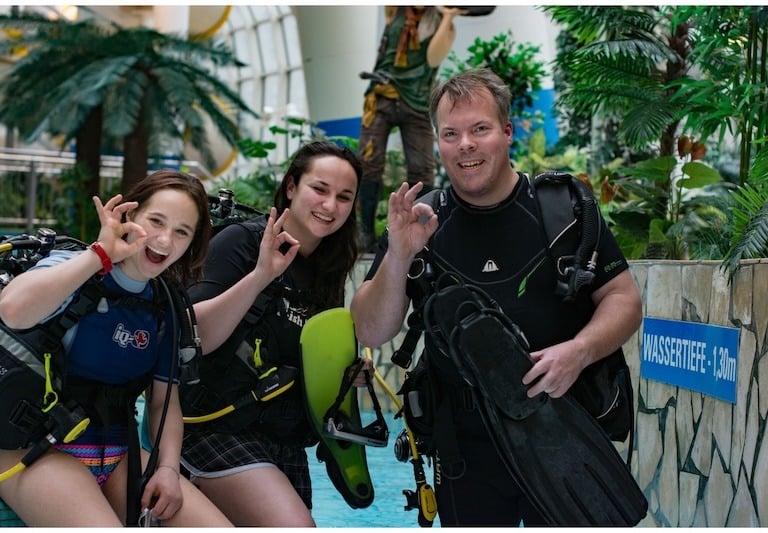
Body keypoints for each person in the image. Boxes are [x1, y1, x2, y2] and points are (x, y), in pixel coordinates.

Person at [350, 68, 643, 526]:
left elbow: (624, 298)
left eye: (479, 129)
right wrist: (399, 255)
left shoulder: (563, 209)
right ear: (438, 143)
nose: (465, 144)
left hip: (563, 433)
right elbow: (370, 328)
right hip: (466, 449)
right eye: (450, 134)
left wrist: (579, 351)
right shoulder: (422, 220)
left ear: (506, 132)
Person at [0, 169, 232, 526]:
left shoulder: (165, 306)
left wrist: (168, 469)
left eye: (182, 232)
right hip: (33, 448)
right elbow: (12, 309)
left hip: (118, 454)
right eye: (156, 221)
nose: (165, 240)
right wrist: (100, 254)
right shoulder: (75, 266)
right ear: (129, 214)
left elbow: (163, 401)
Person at [178, 141, 364, 526]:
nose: (330, 206)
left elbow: (304, 361)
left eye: (344, 197)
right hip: (216, 427)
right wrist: (262, 274)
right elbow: (193, 334)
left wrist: (345, 372)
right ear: (292, 187)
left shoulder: (327, 271)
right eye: (320, 189)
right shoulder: (243, 243)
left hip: (281, 439)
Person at [357, 6, 466, 252]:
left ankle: (421, 229)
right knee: (369, 160)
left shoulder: (444, 25)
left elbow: (432, 58)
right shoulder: (394, 11)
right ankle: (365, 233)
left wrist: (448, 14)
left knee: (422, 168)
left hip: (416, 103)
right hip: (381, 97)